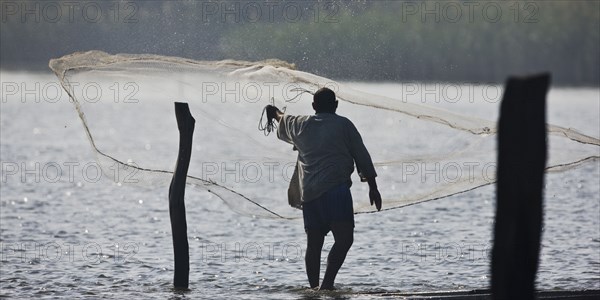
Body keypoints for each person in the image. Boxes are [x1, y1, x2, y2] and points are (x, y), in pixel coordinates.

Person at [266, 87, 382, 290]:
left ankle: (313, 288)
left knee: (314, 244)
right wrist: (373, 188)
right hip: (336, 191)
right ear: (336, 105)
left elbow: (283, 119)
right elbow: (362, 156)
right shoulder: (344, 125)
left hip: (310, 194)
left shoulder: (302, 124)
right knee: (344, 239)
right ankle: (327, 285)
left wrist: (273, 112)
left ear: (313, 107)